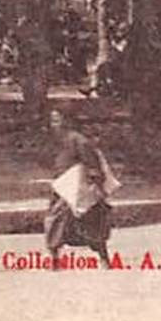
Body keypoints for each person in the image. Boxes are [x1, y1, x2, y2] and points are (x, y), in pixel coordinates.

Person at [43, 108, 116, 268]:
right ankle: (55, 260)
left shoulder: (79, 141)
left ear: (68, 121)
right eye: (53, 120)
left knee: (92, 223)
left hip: (79, 187)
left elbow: (93, 164)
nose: (54, 124)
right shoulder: (57, 140)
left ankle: (104, 259)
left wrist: (95, 185)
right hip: (63, 186)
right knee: (56, 221)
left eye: (58, 120)